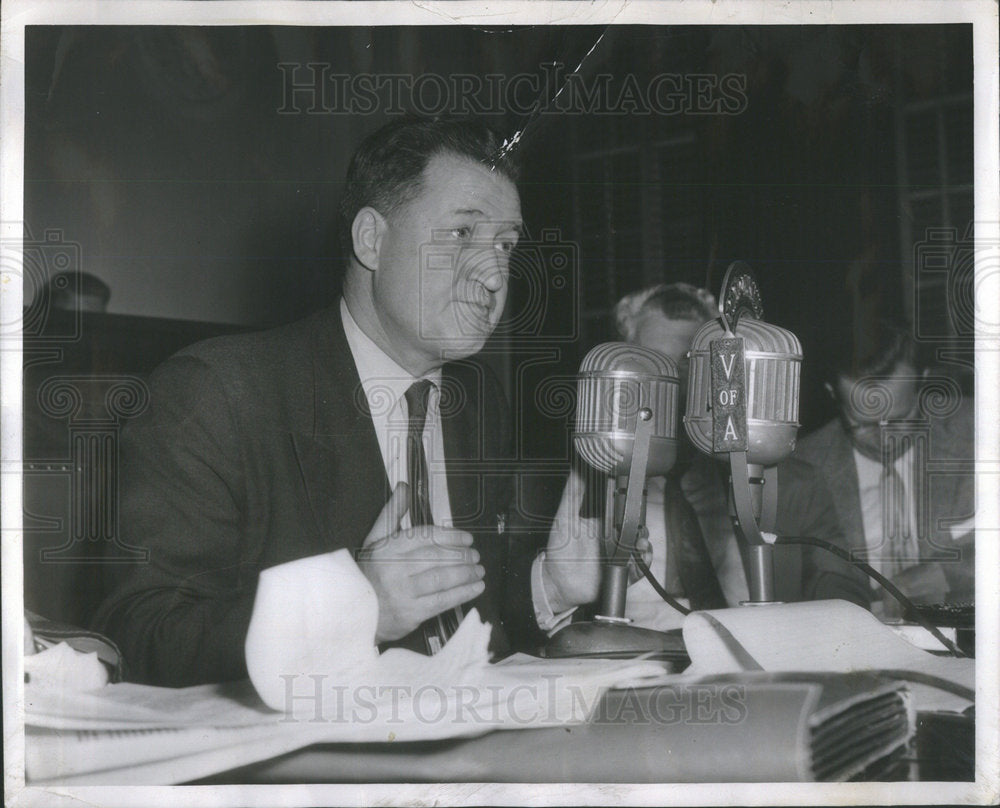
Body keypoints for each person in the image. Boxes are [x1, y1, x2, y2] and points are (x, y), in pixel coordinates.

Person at [92, 117, 602, 686]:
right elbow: (140, 637)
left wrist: (548, 585)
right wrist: (355, 612)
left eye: (505, 246)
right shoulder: (216, 393)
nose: (492, 277)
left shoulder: (478, 402)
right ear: (372, 241)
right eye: (462, 235)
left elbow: (465, 621)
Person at [613, 283, 870, 630]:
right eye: (654, 364)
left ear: (723, 371)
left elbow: (846, 597)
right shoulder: (594, 486)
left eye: (690, 365)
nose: (675, 385)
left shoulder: (794, 483)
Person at [794, 321, 975, 614]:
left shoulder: (981, 431)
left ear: (923, 382)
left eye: (900, 418)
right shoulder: (802, 465)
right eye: (863, 424)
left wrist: (919, 582)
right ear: (832, 393)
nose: (885, 438)